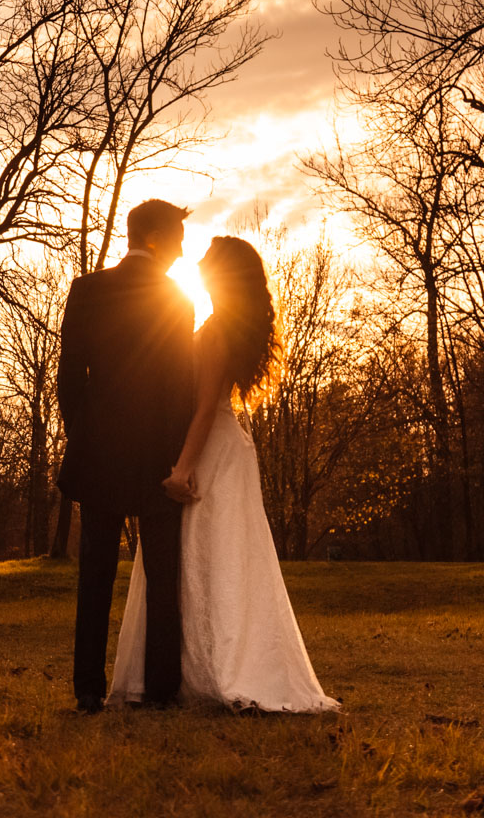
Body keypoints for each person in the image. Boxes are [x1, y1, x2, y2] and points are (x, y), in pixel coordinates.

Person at [108, 234, 340, 713]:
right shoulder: (229, 326)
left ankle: (221, 670)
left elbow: (206, 409)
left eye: (208, 266)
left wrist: (183, 468)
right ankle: (197, 668)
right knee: (219, 556)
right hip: (227, 450)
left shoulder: (216, 332)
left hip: (210, 451)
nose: (200, 272)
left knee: (210, 555)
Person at [55, 198, 196, 713]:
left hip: (99, 456)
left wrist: (86, 440)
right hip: (157, 457)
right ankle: (161, 690)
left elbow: (70, 381)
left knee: (95, 572)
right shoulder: (178, 301)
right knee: (163, 577)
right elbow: (181, 391)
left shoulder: (87, 291)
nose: (183, 247)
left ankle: (88, 689)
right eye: (178, 236)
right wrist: (177, 457)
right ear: (155, 236)